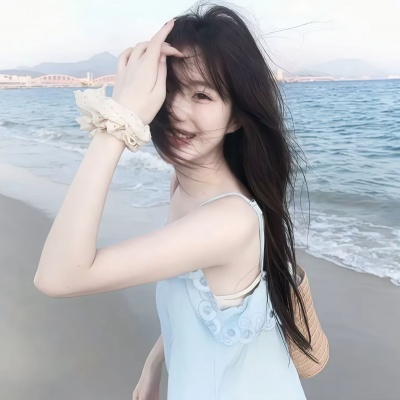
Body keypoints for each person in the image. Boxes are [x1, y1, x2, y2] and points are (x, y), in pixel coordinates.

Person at [34, 2, 328, 399]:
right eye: (167, 89)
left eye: (202, 94)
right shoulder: (186, 186)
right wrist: (153, 365)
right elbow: (198, 300)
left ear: (236, 116)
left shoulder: (228, 220)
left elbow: (58, 277)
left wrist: (117, 123)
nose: (175, 110)